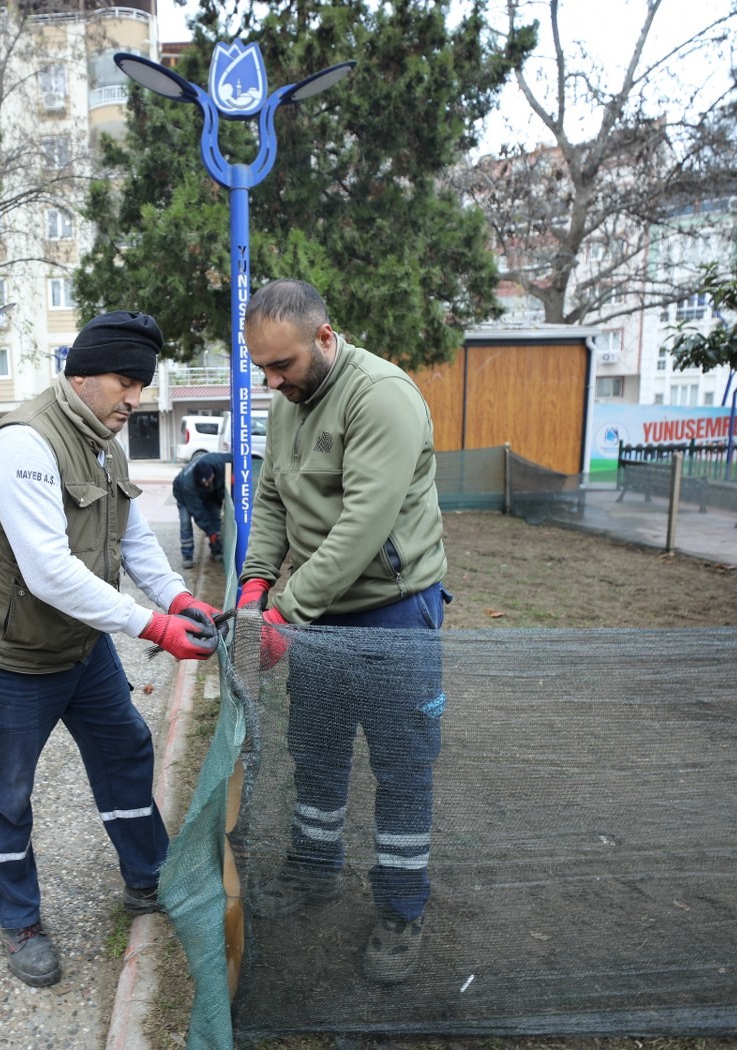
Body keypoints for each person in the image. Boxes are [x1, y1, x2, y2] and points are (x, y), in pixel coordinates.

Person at [0, 310, 223, 988]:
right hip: (8, 656)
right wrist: (152, 628)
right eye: (123, 381)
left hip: (80, 649)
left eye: (141, 384)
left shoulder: (106, 443)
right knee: (6, 793)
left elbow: (131, 543)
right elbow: (48, 571)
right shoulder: (21, 445)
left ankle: (147, 878)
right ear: (79, 374)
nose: (134, 399)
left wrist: (178, 600)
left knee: (125, 751)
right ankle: (18, 922)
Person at [234, 278, 450, 984]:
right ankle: (315, 869)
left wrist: (282, 614)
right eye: (260, 367)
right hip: (316, 612)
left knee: (400, 766)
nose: (272, 381)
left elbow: (363, 526)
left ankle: (399, 908)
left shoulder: (380, 396)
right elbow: (269, 500)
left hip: (393, 611)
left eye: (282, 365)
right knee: (316, 752)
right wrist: (255, 585)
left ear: (324, 337)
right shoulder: (286, 406)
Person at [171, 451, 229, 568]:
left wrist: (234, 475)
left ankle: (216, 548)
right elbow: (199, 514)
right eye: (205, 483)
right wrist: (210, 533)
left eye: (208, 481)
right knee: (186, 521)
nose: (207, 484)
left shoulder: (218, 461)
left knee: (214, 514)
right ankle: (187, 554)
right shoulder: (189, 486)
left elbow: (237, 459)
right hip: (183, 495)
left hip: (207, 493)